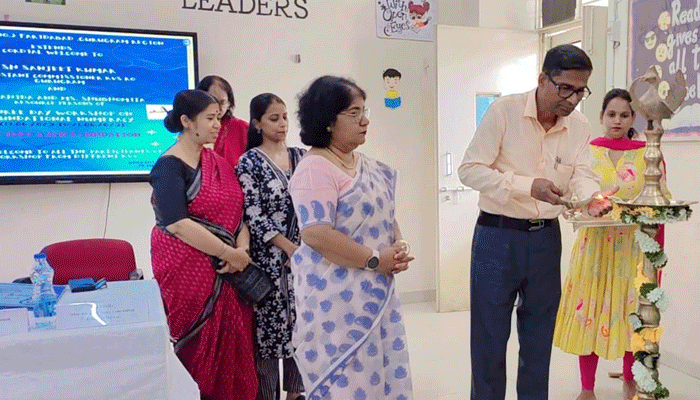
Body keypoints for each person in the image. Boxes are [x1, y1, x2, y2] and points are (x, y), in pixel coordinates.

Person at [458, 44, 615, 400]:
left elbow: (582, 174)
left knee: (539, 339)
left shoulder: (579, 125)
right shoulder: (504, 112)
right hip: (497, 236)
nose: (573, 99)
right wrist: (527, 186)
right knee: (489, 339)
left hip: (545, 240)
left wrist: (592, 198)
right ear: (543, 79)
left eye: (581, 91)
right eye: (565, 88)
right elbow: (469, 170)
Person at [288, 75, 415, 399]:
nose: (365, 120)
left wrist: (398, 246)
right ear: (329, 121)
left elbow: (384, 214)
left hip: (376, 295)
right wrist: (374, 259)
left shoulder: (367, 166)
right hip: (336, 306)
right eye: (354, 113)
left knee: (382, 379)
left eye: (364, 111)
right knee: (349, 384)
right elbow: (316, 234)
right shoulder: (315, 168)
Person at [553, 89, 671, 400]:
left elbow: (661, 201)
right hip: (593, 246)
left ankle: (630, 380)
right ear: (602, 116)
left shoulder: (647, 154)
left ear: (634, 118)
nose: (617, 120)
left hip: (631, 248)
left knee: (631, 312)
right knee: (588, 312)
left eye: (624, 115)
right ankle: (587, 388)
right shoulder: (588, 152)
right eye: (611, 114)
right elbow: (573, 195)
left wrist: (655, 258)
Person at [149, 89, 257, 400]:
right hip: (188, 276)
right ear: (186, 121)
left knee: (235, 357)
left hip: (231, 271)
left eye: (219, 118)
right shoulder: (168, 167)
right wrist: (228, 253)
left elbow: (239, 215)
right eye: (210, 119)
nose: (217, 125)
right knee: (197, 359)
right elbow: (177, 224)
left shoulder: (218, 163)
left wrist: (242, 251)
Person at [235, 93, 306, 400]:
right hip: (268, 261)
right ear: (257, 124)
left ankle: (295, 395)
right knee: (267, 337)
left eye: (285, 117)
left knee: (301, 331)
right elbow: (252, 213)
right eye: (274, 119)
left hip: (304, 259)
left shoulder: (302, 157)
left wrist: (302, 247)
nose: (282, 124)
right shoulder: (249, 162)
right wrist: (287, 247)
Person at [197, 75, 248, 165]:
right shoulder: (193, 126)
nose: (218, 108)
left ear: (229, 103)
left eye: (222, 102)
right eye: (213, 100)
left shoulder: (243, 128)